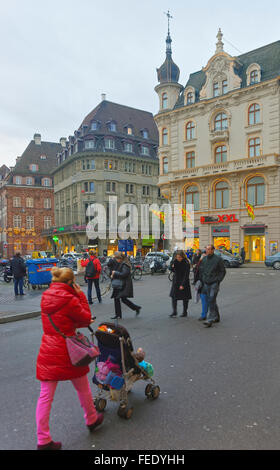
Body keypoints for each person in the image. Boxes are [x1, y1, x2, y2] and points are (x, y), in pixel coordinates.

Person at [35, 267, 103, 450]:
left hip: (49, 348)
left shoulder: (46, 296)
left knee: (45, 396)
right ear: (71, 282)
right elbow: (85, 319)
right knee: (82, 387)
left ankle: (43, 439)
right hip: (69, 349)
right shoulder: (70, 299)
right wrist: (80, 295)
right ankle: (91, 418)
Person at [199, 245, 226, 328]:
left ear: (213, 250)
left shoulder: (218, 259)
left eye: (209, 249)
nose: (207, 251)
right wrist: (203, 278)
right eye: (206, 249)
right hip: (206, 282)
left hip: (214, 282)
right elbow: (201, 269)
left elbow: (223, 271)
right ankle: (216, 316)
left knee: (211, 298)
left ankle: (210, 319)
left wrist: (218, 280)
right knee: (212, 300)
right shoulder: (204, 259)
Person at [110, 252, 141, 319]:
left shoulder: (125, 265)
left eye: (116, 259)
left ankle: (119, 314)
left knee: (120, 298)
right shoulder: (121, 263)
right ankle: (119, 314)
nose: (116, 260)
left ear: (120, 258)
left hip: (123, 284)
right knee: (119, 298)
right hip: (121, 284)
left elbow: (124, 274)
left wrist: (115, 273)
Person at [169, 250, 192, 318]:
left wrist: (182, 284)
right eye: (177, 257)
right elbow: (171, 269)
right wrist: (172, 266)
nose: (178, 258)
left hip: (183, 281)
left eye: (179, 257)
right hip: (176, 281)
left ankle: (185, 312)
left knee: (185, 298)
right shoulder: (175, 261)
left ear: (182, 257)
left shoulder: (186, 263)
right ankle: (174, 311)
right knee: (173, 297)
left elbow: (186, 275)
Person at [193, 252, 209, 321]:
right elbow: (196, 273)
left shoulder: (209, 264)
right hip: (201, 283)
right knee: (203, 298)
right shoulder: (199, 264)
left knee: (211, 301)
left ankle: (214, 314)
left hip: (209, 283)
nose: (203, 258)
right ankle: (204, 315)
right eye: (202, 257)